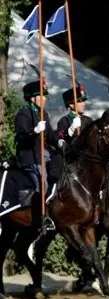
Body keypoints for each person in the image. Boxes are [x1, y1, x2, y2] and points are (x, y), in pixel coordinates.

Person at [14, 80, 62, 229]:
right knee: (43, 183)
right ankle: (43, 217)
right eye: (42, 96)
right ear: (33, 98)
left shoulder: (43, 114)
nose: (45, 99)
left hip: (44, 155)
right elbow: (22, 136)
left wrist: (59, 142)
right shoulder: (23, 114)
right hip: (30, 157)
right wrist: (34, 131)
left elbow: (50, 135)